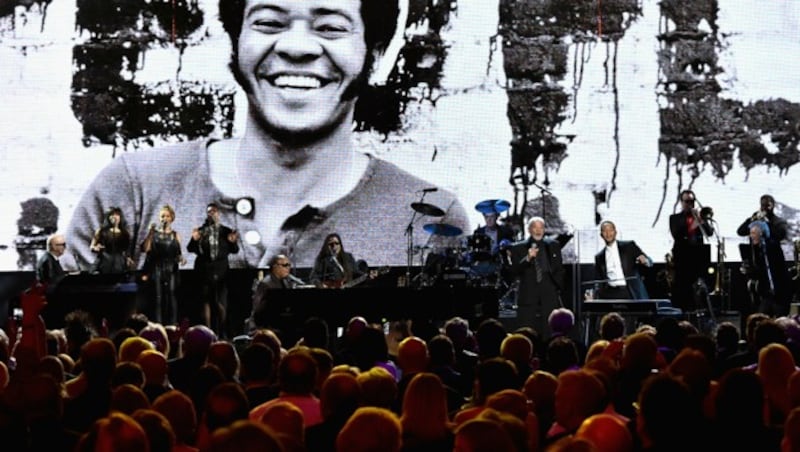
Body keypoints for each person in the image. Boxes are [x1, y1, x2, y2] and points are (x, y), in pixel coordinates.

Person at [66, 0, 469, 271]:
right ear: (235, 43)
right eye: (269, 23)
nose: (296, 47)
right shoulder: (133, 192)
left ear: (375, 54)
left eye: (330, 27)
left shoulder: (429, 218)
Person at [187, 203, 240, 337]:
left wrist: (232, 242)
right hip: (204, 270)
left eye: (215, 211)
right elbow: (190, 248)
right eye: (209, 212)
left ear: (219, 214)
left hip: (221, 271)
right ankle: (208, 333)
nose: (212, 214)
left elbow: (235, 250)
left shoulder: (226, 231)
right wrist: (194, 240)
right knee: (205, 302)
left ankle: (221, 332)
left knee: (220, 301)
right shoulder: (201, 230)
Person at [510, 216, 565, 335]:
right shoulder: (518, 247)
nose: (538, 230)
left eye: (541, 227)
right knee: (527, 329)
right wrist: (528, 258)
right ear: (529, 229)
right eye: (535, 227)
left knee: (550, 328)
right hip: (529, 290)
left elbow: (559, 269)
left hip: (549, 289)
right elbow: (514, 270)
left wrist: (556, 286)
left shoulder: (553, 245)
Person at [668, 189, 714, 311]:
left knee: (699, 290)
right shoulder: (674, 218)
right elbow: (677, 235)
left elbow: (709, 233)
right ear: (681, 202)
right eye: (687, 201)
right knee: (684, 290)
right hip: (682, 259)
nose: (690, 204)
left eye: (692, 201)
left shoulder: (699, 216)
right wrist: (693, 225)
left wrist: (703, 220)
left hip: (698, 258)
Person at [141, 204, 186, 325]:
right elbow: (145, 249)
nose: (164, 218)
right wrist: (150, 232)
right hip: (156, 269)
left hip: (171, 270)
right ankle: (158, 327)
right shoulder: (154, 234)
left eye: (167, 216)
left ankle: (172, 326)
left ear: (171, 218)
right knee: (158, 298)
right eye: (162, 216)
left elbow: (178, 253)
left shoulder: (175, 235)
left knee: (171, 298)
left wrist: (181, 259)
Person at [739, 220, 791, 317]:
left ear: (761, 233)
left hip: (779, 291)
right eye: (750, 233)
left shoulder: (772, 247)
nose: (751, 236)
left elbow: (774, 270)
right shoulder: (755, 250)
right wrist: (748, 271)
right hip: (766, 293)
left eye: (753, 233)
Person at [591, 220, 653, 300]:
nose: (608, 233)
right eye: (605, 231)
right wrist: (595, 294)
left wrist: (645, 261)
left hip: (629, 291)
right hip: (610, 293)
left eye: (610, 230)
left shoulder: (629, 246)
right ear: (601, 235)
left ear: (615, 232)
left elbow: (650, 262)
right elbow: (598, 280)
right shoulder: (599, 257)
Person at [247, 254, 307, 330]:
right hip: (266, 325)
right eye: (285, 265)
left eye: (289, 265)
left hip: (280, 320)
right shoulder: (266, 284)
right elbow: (258, 309)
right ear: (275, 266)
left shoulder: (286, 281)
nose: (288, 268)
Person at [89, 207, 134, 275]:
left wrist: (128, 259)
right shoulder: (101, 231)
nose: (114, 217)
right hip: (103, 262)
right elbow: (92, 246)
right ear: (108, 217)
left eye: (117, 215)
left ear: (120, 217)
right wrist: (95, 248)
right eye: (112, 215)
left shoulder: (125, 233)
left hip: (118, 264)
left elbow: (127, 250)